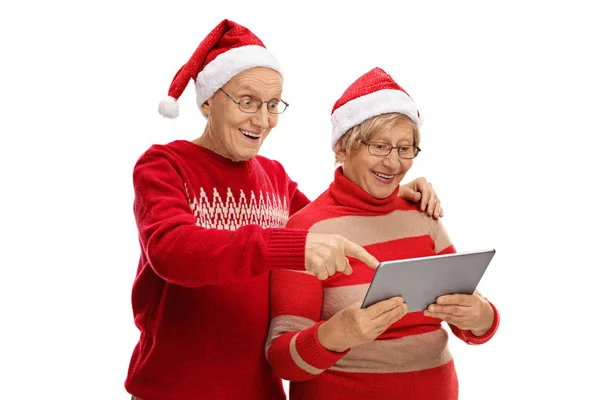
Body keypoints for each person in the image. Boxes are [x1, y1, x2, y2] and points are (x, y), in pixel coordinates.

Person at [125, 20, 443, 400]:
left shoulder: (274, 177)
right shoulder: (164, 165)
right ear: (208, 100)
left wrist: (389, 193)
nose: (262, 120)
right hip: (174, 389)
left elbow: (333, 222)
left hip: (261, 390)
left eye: (273, 105)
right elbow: (173, 251)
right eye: (248, 102)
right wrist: (290, 248)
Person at [266, 67, 500, 400]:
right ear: (344, 148)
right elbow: (282, 361)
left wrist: (482, 315)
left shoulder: (423, 215)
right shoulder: (307, 230)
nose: (394, 163)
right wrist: (337, 334)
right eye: (380, 146)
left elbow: (470, 323)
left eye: (406, 148)